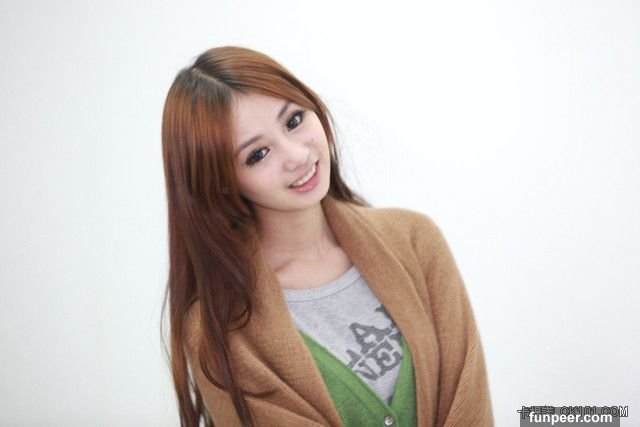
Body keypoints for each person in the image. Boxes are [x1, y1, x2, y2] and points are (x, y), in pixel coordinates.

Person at [160, 45, 494, 427]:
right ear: (220, 181)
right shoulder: (217, 329)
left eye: (294, 120)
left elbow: (471, 406)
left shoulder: (416, 240)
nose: (297, 155)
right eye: (258, 154)